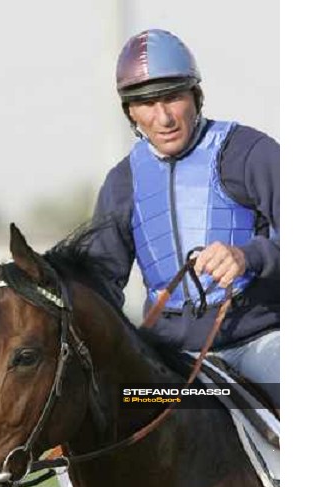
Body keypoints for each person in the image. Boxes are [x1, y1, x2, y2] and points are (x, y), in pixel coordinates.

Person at [89, 28, 280, 407]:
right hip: (167, 364)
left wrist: (249, 255)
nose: (163, 118)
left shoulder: (250, 153)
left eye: (173, 98)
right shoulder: (121, 183)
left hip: (259, 347)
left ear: (196, 96)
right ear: (131, 111)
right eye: (146, 103)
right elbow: (97, 283)